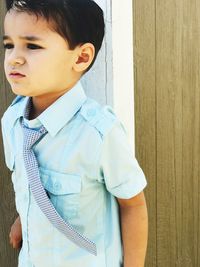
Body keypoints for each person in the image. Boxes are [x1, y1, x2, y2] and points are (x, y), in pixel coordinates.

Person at [1, 0, 148, 266]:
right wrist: (25, 218)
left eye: (32, 46)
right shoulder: (12, 121)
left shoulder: (100, 134)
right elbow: (28, 177)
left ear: (80, 57)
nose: (14, 57)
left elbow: (133, 205)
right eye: (9, 45)